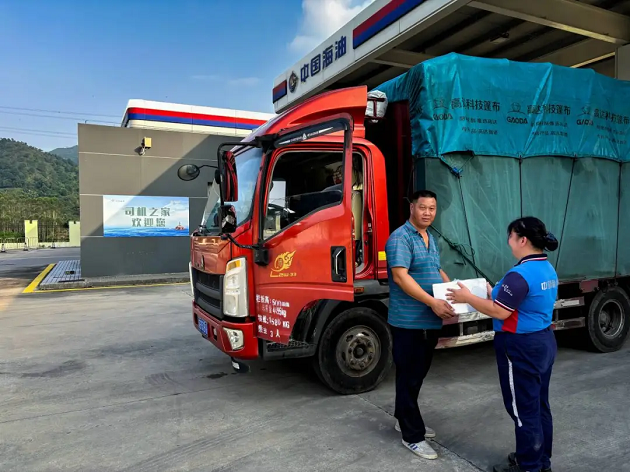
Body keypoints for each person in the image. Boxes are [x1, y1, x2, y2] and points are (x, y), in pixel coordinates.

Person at [446, 216, 559, 472]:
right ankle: (541, 461)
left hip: (520, 346)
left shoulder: (520, 274)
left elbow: (500, 312)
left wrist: (467, 297)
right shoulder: (546, 268)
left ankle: (528, 466)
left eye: (511, 236)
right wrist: (492, 292)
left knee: (523, 409)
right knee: (539, 404)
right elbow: (522, 301)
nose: (508, 241)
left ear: (523, 240)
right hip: (543, 341)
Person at [385, 190, 455, 460]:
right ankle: (412, 436)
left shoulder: (429, 237)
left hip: (429, 320)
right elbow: (401, 277)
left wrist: (453, 290)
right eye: (423, 207)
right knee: (409, 376)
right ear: (412, 208)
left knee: (415, 375)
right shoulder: (400, 238)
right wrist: (432, 302)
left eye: (432, 208)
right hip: (409, 321)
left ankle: (404, 417)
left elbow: (435, 269)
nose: (427, 212)